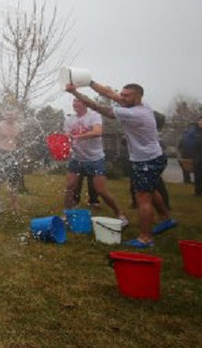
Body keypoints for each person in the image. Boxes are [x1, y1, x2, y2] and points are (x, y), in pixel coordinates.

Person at [66, 80, 176, 248]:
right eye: (122, 95)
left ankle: (145, 238)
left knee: (142, 196)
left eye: (126, 96)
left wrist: (75, 93)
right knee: (150, 189)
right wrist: (89, 82)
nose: (121, 98)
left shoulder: (134, 113)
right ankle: (166, 219)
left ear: (137, 96)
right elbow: (109, 93)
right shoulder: (140, 105)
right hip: (153, 157)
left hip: (146, 160)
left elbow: (97, 107)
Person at [63, 99, 128, 225]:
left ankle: (120, 213)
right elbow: (66, 134)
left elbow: (98, 132)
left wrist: (77, 137)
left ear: (85, 103)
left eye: (78, 102)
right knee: (70, 187)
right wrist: (65, 139)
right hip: (77, 158)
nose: (75, 104)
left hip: (95, 159)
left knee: (101, 190)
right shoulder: (69, 120)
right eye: (74, 102)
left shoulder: (94, 116)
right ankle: (67, 214)